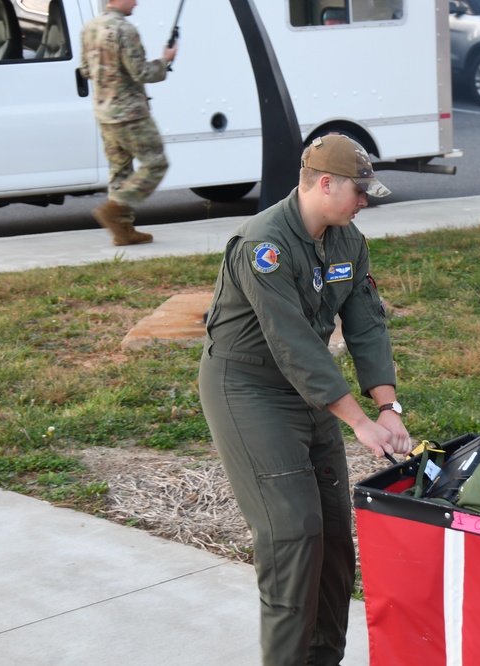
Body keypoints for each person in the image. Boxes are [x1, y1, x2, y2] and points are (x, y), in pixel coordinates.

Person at [198, 134, 413, 664]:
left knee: (334, 540)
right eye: (359, 193)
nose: (364, 202)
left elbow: (366, 323)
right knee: (292, 534)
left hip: (308, 389)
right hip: (248, 387)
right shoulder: (263, 245)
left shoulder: (347, 239)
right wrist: (358, 422)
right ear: (324, 184)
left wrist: (388, 409)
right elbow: (291, 341)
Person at [79, 0, 176, 246]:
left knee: (120, 170)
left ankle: (123, 232)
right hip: (130, 114)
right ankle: (115, 208)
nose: (136, 2)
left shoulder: (89, 27)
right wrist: (165, 60)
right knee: (156, 163)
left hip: (104, 112)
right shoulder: (125, 29)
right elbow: (141, 72)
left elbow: (85, 70)